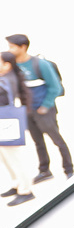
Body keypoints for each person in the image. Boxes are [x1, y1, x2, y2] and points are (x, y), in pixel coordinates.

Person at [3, 35, 71, 184]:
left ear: (23, 47)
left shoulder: (40, 64)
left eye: (12, 47)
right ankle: (44, 170)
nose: (10, 50)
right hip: (28, 111)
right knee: (38, 142)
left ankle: (69, 169)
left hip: (44, 110)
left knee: (57, 140)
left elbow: (55, 87)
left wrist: (45, 106)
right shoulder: (14, 66)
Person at [0, 53, 34, 205]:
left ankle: (26, 190)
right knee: (6, 157)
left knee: (14, 158)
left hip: (7, 124)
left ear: (7, 64)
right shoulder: (8, 77)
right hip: (5, 123)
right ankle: (16, 184)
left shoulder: (6, 80)